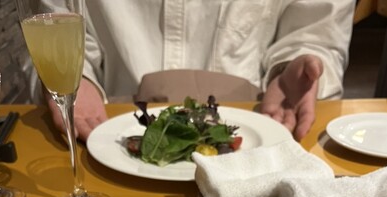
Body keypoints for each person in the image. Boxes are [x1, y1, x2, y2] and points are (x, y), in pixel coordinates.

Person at [42, 0, 356, 142]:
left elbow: (317, 27)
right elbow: (52, 18)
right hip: (110, 127)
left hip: (256, 128)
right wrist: (72, 74)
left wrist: (292, 65)